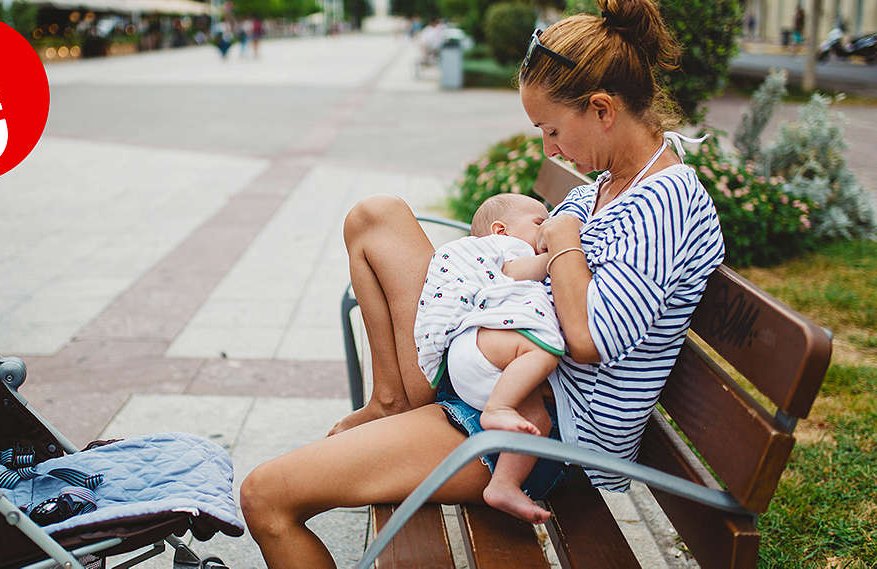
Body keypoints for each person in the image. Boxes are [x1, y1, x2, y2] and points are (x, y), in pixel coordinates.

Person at [240, 1, 725, 566]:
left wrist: (564, 235)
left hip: (538, 431)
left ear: (601, 109)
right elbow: (529, 259)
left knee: (265, 497)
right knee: (376, 216)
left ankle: (403, 405)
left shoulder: (666, 201)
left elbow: (590, 340)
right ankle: (392, 401)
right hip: (496, 371)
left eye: (551, 129)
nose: (549, 149)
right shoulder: (603, 187)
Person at [414, 192, 565, 522]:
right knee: (540, 352)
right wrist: (559, 252)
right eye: (539, 222)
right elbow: (516, 272)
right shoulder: (506, 248)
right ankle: (498, 408)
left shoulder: (504, 243)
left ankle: (504, 484)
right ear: (500, 231)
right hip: (482, 350)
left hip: (487, 373)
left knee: (537, 422)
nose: (546, 228)